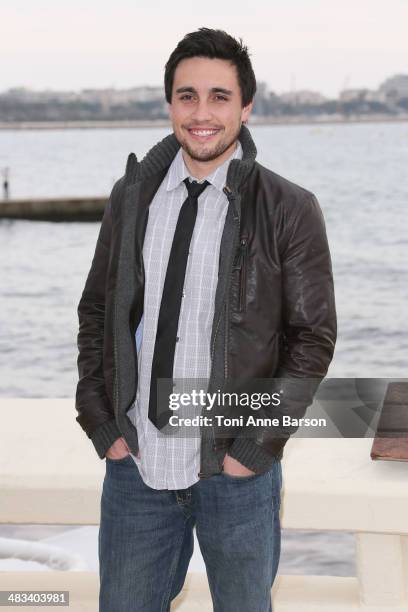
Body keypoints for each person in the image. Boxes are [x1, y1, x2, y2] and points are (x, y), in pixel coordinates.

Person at [75, 27, 337, 612]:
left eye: (219, 96)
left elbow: (311, 340)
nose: (202, 113)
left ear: (246, 106)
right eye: (186, 95)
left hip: (235, 470)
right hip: (136, 466)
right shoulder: (131, 196)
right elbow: (97, 313)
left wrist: (255, 448)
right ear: (170, 103)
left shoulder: (289, 208)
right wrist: (103, 425)